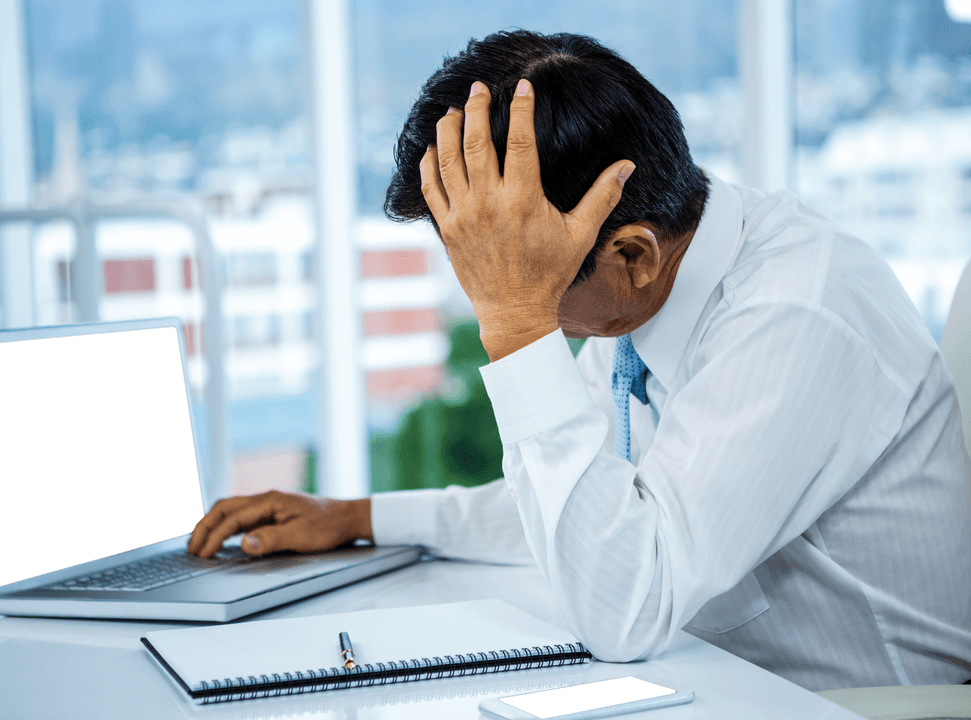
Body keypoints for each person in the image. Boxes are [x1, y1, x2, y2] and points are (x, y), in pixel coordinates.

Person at [187, 30, 971, 691]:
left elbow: (624, 610)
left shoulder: (796, 313)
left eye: (512, 268)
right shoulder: (652, 286)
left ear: (630, 255)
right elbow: (592, 509)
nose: (485, 291)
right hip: (731, 679)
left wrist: (518, 321)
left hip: (866, 705)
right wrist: (360, 519)